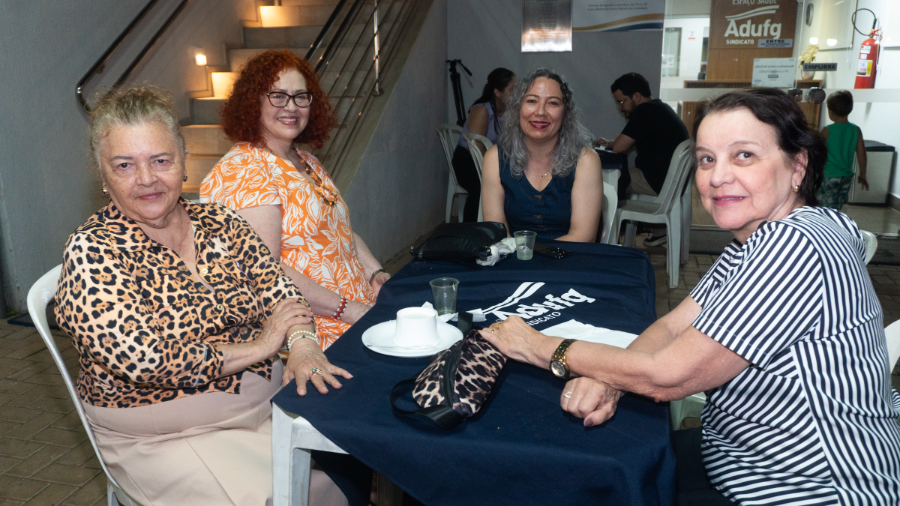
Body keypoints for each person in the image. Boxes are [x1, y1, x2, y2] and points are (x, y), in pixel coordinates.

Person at [481, 88, 900, 505]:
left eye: (744, 155)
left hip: (809, 489)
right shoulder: (759, 240)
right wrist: (611, 381)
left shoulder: (794, 246)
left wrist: (538, 345)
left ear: (798, 166)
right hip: (742, 459)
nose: (717, 177)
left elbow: (667, 376)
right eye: (707, 159)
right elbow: (670, 327)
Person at [56, 85, 352, 505]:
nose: (146, 179)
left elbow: (280, 291)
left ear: (183, 161)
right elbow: (146, 359)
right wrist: (263, 345)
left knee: (361, 460)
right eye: (124, 165)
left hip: (263, 405)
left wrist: (303, 345)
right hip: (165, 433)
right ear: (103, 178)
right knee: (288, 495)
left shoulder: (220, 221)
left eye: (160, 160)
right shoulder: (92, 250)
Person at [202, 50, 389, 350]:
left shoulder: (307, 161)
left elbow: (337, 230)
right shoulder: (244, 169)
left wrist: (374, 272)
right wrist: (350, 310)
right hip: (311, 335)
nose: (291, 106)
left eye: (301, 97)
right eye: (278, 96)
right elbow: (266, 272)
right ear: (253, 101)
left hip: (356, 314)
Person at [481, 68, 602, 243]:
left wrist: (531, 254)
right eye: (531, 101)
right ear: (518, 108)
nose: (540, 112)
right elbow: (497, 232)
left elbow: (583, 236)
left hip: (569, 256)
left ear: (565, 113)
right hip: (513, 256)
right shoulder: (494, 158)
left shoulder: (586, 160)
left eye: (553, 103)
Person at [596, 72, 689, 246]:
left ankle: (605, 240)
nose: (620, 108)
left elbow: (619, 147)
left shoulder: (645, 111)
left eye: (621, 102)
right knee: (615, 179)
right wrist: (609, 143)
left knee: (600, 183)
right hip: (668, 179)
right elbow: (627, 142)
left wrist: (612, 145)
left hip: (657, 181)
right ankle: (658, 230)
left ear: (636, 96)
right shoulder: (659, 108)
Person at [451, 67, 516, 222]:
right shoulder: (482, 110)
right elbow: (476, 149)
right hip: (468, 161)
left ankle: (503, 225)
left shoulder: (507, 113)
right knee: (483, 187)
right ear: (497, 92)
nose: (517, 93)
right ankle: (471, 230)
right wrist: (491, 173)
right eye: (512, 89)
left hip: (488, 161)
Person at [817, 90, 868, 210]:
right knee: (837, 208)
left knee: (823, 207)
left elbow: (817, 152)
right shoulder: (856, 130)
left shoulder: (826, 131)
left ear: (830, 112)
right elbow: (862, 153)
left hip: (829, 176)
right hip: (846, 177)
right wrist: (863, 174)